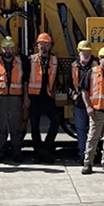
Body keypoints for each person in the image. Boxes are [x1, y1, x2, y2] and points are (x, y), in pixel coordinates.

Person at [0, 36, 27, 163]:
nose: (8, 50)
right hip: (0, 98)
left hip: (16, 98)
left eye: (10, 48)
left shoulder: (20, 62)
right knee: (0, 128)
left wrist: (26, 97)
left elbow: (25, 81)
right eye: (5, 48)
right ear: (2, 48)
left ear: (13, 48)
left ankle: (17, 153)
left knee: (16, 128)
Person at [26, 32, 63, 164]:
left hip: (47, 96)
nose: (44, 47)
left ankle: (46, 147)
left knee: (56, 120)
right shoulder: (31, 60)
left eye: (46, 44)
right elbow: (25, 79)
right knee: (35, 126)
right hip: (34, 96)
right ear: (37, 45)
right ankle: (38, 151)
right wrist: (26, 97)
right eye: (41, 44)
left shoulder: (54, 60)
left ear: (50, 46)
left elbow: (57, 78)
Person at [69, 41, 96, 165]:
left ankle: (92, 154)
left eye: (87, 51)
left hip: (94, 103)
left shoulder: (96, 65)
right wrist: (72, 94)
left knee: (94, 131)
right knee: (81, 131)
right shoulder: (73, 66)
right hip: (79, 103)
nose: (85, 53)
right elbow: (68, 83)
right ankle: (83, 155)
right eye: (83, 51)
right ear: (78, 52)